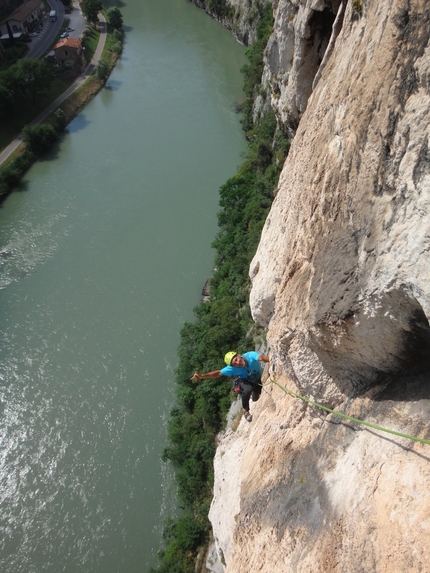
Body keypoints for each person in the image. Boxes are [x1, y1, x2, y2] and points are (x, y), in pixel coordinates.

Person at [191, 351, 269, 422]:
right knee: (248, 389)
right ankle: (245, 410)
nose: (237, 363)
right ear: (232, 366)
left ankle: (254, 393)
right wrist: (202, 376)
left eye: (236, 359)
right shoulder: (232, 368)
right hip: (245, 381)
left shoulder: (250, 355)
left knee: (256, 398)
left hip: (257, 379)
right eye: (234, 363)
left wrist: (270, 358)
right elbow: (218, 373)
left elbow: (261, 358)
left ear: (238, 355)